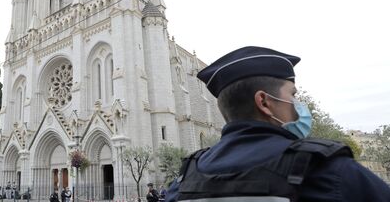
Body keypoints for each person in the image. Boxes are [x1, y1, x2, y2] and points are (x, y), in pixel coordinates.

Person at [165, 46, 390, 201]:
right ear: (264, 101)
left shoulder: (184, 183)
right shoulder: (330, 171)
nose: (298, 104)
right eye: (292, 94)